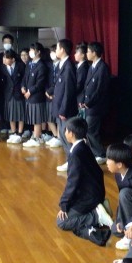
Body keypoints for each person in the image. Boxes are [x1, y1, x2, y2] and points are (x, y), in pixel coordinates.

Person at [56, 117, 113, 246]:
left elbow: (72, 183)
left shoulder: (75, 154)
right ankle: (95, 218)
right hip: (94, 193)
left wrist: (64, 205)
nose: (65, 133)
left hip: (87, 197)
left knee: (62, 222)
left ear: (71, 134)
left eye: (66, 130)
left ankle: (96, 216)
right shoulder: (84, 147)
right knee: (74, 220)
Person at [80, 41, 109, 164]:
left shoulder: (103, 67)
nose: (86, 53)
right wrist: (83, 101)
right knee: (88, 130)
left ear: (94, 53)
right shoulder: (92, 66)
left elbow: (100, 89)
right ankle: (94, 152)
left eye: (88, 51)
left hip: (96, 106)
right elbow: (86, 86)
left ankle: (101, 154)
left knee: (91, 130)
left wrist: (89, 103)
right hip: (88, 104)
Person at [52, 39, 78, 171]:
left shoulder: (68, 66)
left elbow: (69, 91)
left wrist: (63, 110)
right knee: (62, 136)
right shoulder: (61, 64)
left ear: (62, 49)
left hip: (65, 110)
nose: (55, 51)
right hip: (59, 107)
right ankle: (70, 161)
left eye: (57, 48)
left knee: (67, 137)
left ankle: (72, 162)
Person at [21, 42, 48, 147]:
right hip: (28, 96)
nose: (30, 52)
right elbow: (24, 77)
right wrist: (23, 87)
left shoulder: (41, 65)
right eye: (30, 50)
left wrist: (30, 91)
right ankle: (36, 135)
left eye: (32, 50)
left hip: (36, 96)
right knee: (32, 117)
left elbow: (40, 83)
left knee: (37, 118)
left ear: (38, 52)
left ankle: (36, 138)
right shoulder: (29, 63)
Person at [2, 49, 26, 144]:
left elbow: (25, 78)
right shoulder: (3, 67)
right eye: (4, 57)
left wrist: (23, 87)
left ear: (13, 59)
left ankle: (20, 133)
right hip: (8, 94)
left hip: (18, 93)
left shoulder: (20, 66)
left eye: (7, 58)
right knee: (11, 114)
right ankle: (13, 132)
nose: (4, 59)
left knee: (20, 114)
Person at [44, 44, 62, 147]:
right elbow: (45, 79)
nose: (52, 54)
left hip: (57, 94)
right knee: (49, 117)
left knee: (58, 118)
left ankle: (59, 137)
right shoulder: (49, 65)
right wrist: (47, 91)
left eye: (54, 52)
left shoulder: (62, 65)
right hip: (48, 94)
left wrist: (53, 92)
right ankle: (55, 135)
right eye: (51, 52)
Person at [74, 42, 90, 107]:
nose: (74, 55)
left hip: (81, 98)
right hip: (77, 97)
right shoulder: (77, 66)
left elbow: (80, 84)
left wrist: (70, 92)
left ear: (83, 55)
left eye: (76, 53)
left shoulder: (84, 67)